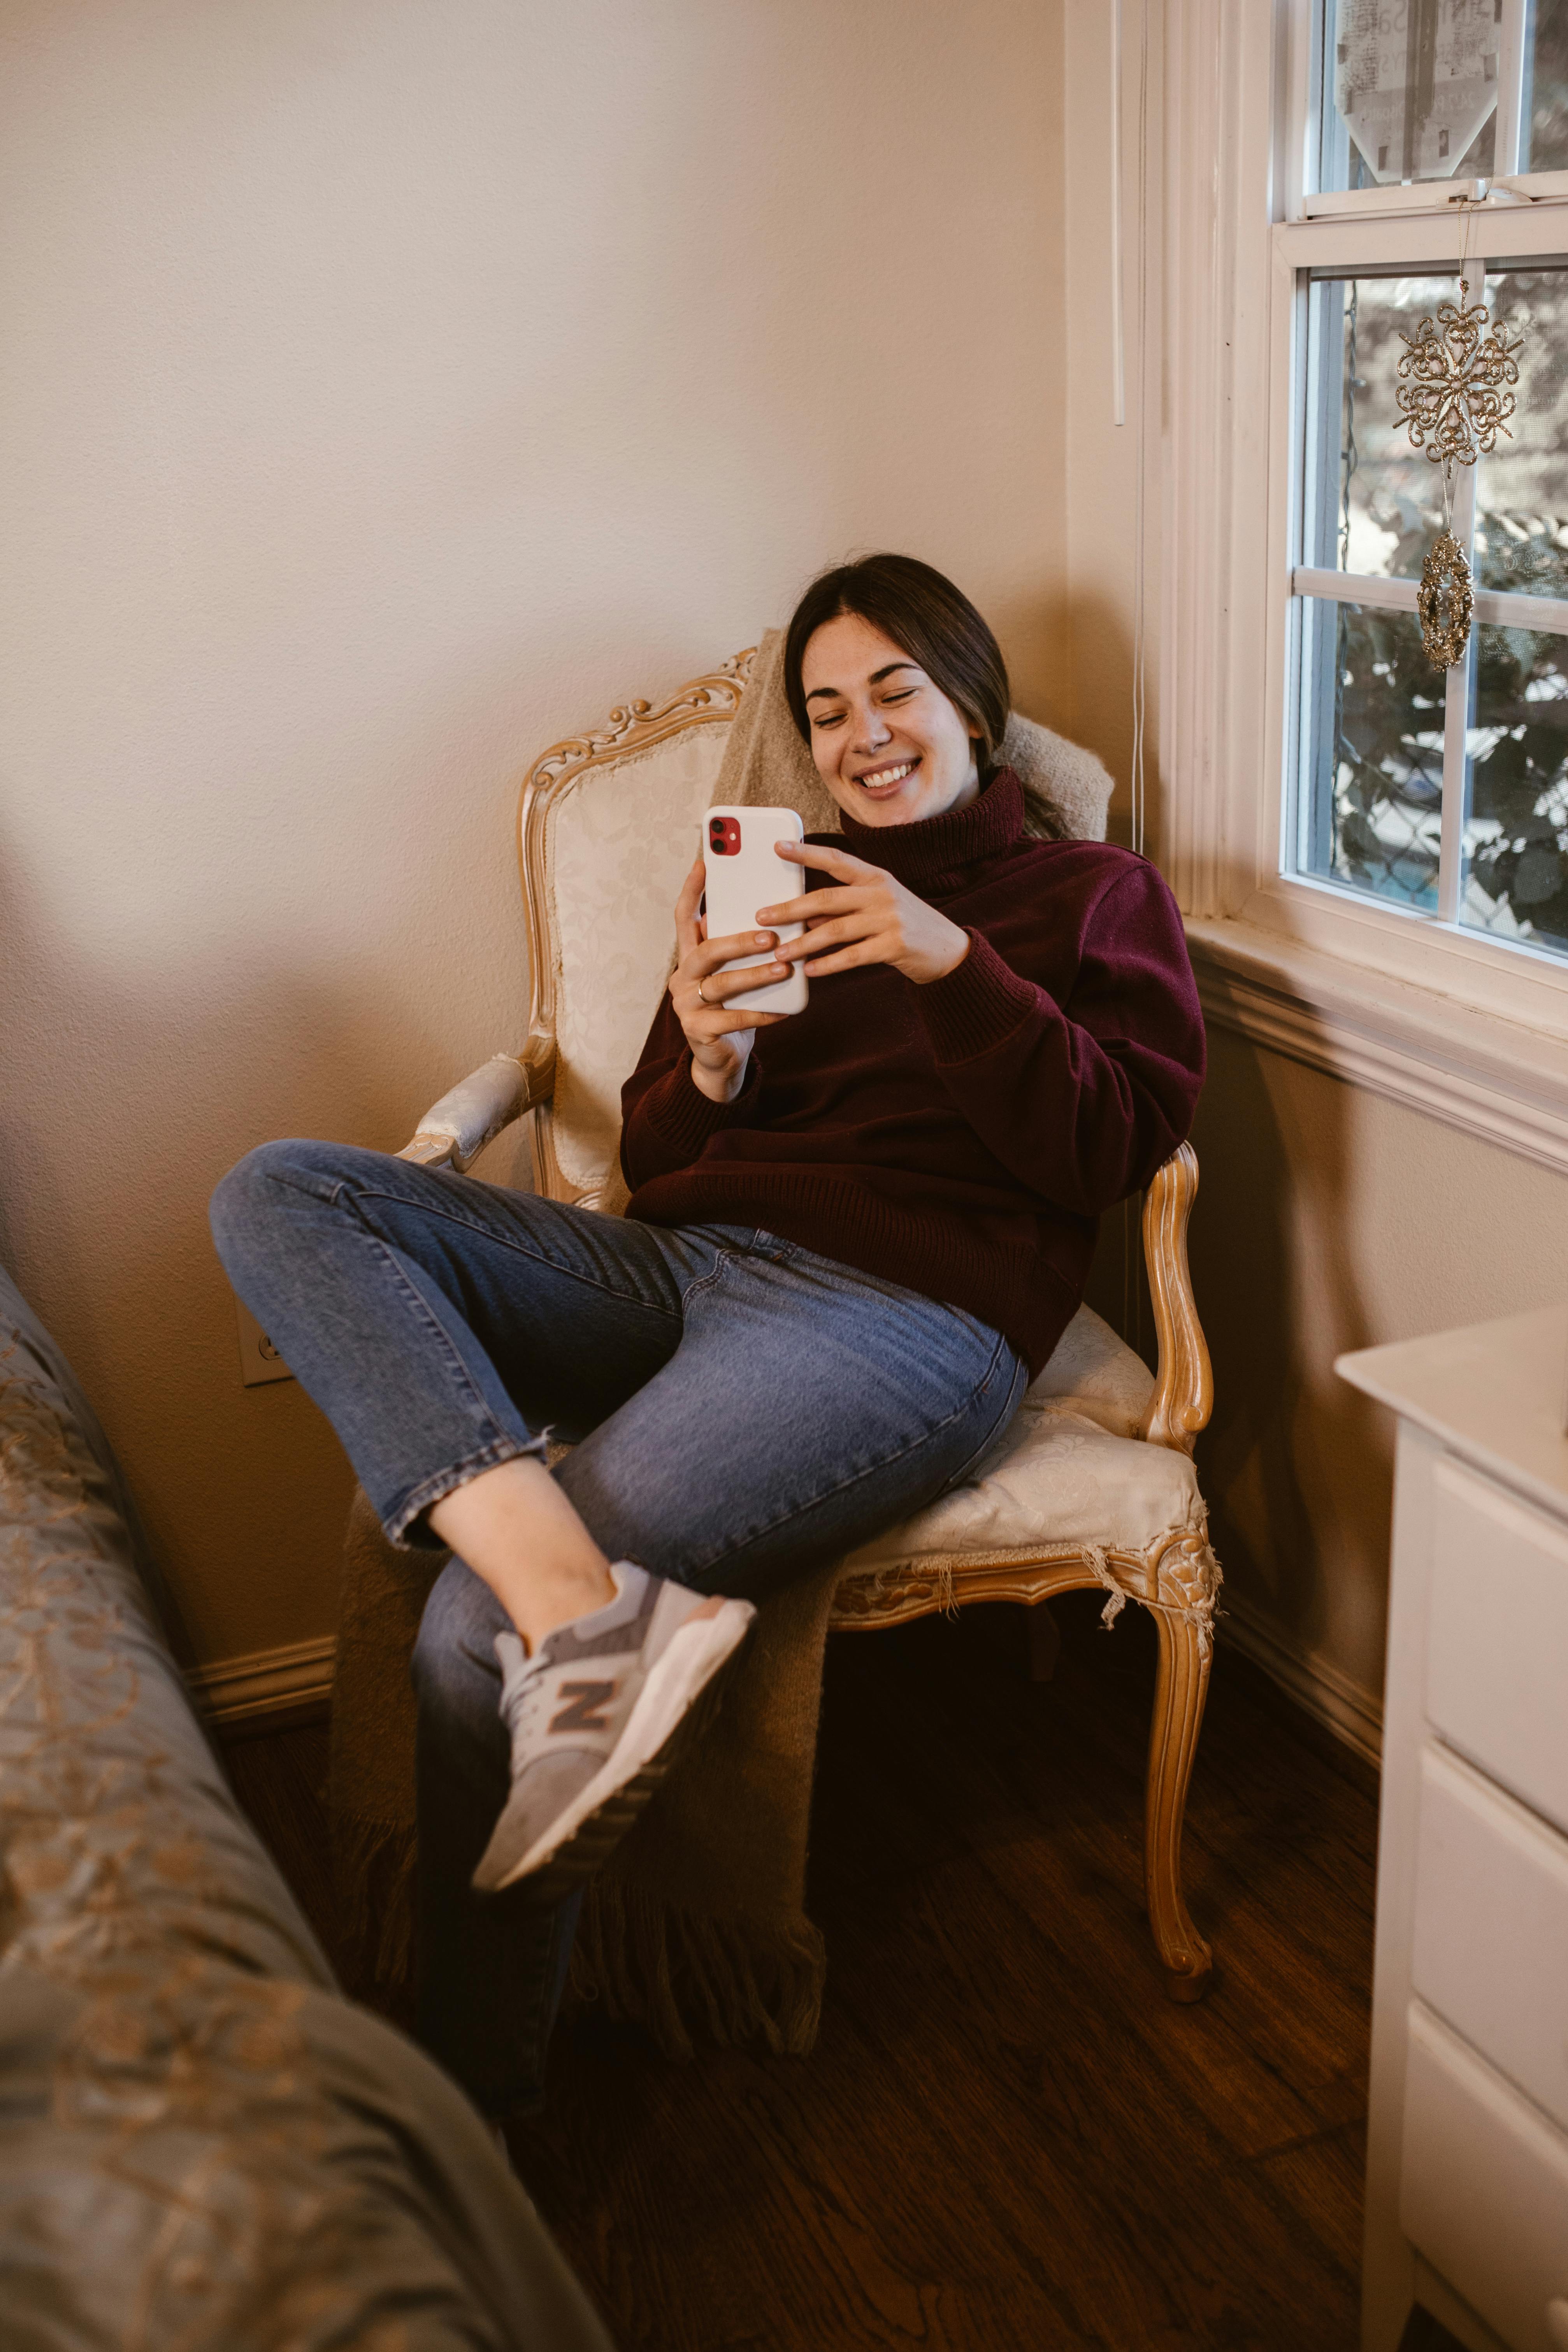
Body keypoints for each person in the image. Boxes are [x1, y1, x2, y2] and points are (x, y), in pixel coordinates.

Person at [209, 553, 1205, 2117]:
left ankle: (477, 2112)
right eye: (828, 711)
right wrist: (715, 1048)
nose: (864, 733)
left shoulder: (1093, 897)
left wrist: (953, 961)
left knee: (468, 1638)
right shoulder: (778, 878)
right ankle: (580, 1603)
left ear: (973, 704)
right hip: (682, 1265)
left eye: (896, 690)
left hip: (901, 1321)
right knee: (281, 1191)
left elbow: (1114, 1145)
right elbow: (668, 1166)